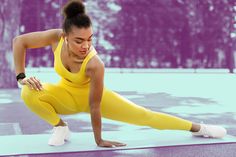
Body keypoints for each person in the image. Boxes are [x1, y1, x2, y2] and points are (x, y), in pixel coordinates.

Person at [13, 0, 227, 147]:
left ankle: (200, 128)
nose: (86, 46)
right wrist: (22, 77)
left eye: (90, 39)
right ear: (65, 37)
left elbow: (94, 106)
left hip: (96, 99)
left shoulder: (95, 64)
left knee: (146, 116)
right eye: (79, 40)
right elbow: (19, 42)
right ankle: (60, 128)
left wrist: (99, 140)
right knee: (28, 92)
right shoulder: (55, 37)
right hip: (66, 95)